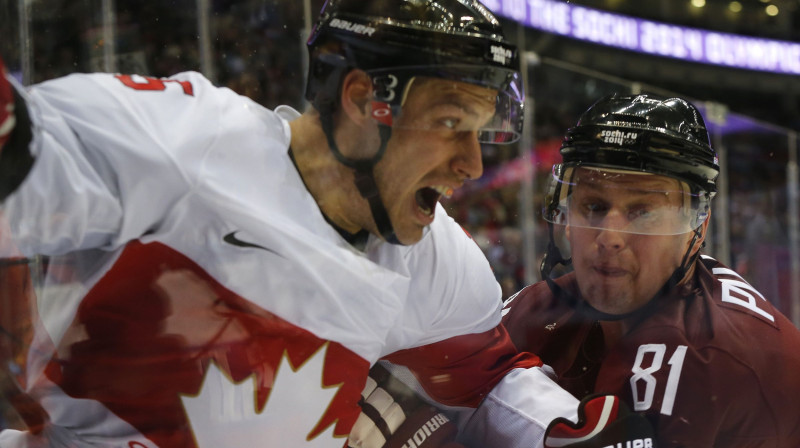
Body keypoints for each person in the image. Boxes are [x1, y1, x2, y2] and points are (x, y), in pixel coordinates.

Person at [0, 1, 635, 447]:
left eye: (478, 133)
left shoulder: (433, 254)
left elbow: (484, 377)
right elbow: (23, 157)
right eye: (449, 124)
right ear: (362, 100)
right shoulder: (189, 140)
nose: (471, 164)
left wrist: (553, 432)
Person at [501, 93, 800, 447]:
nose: (609, 237)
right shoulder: (533, 311)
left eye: (641, 211)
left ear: (696, 228)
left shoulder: (716, 359)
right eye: (593, 205)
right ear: (565, 217)